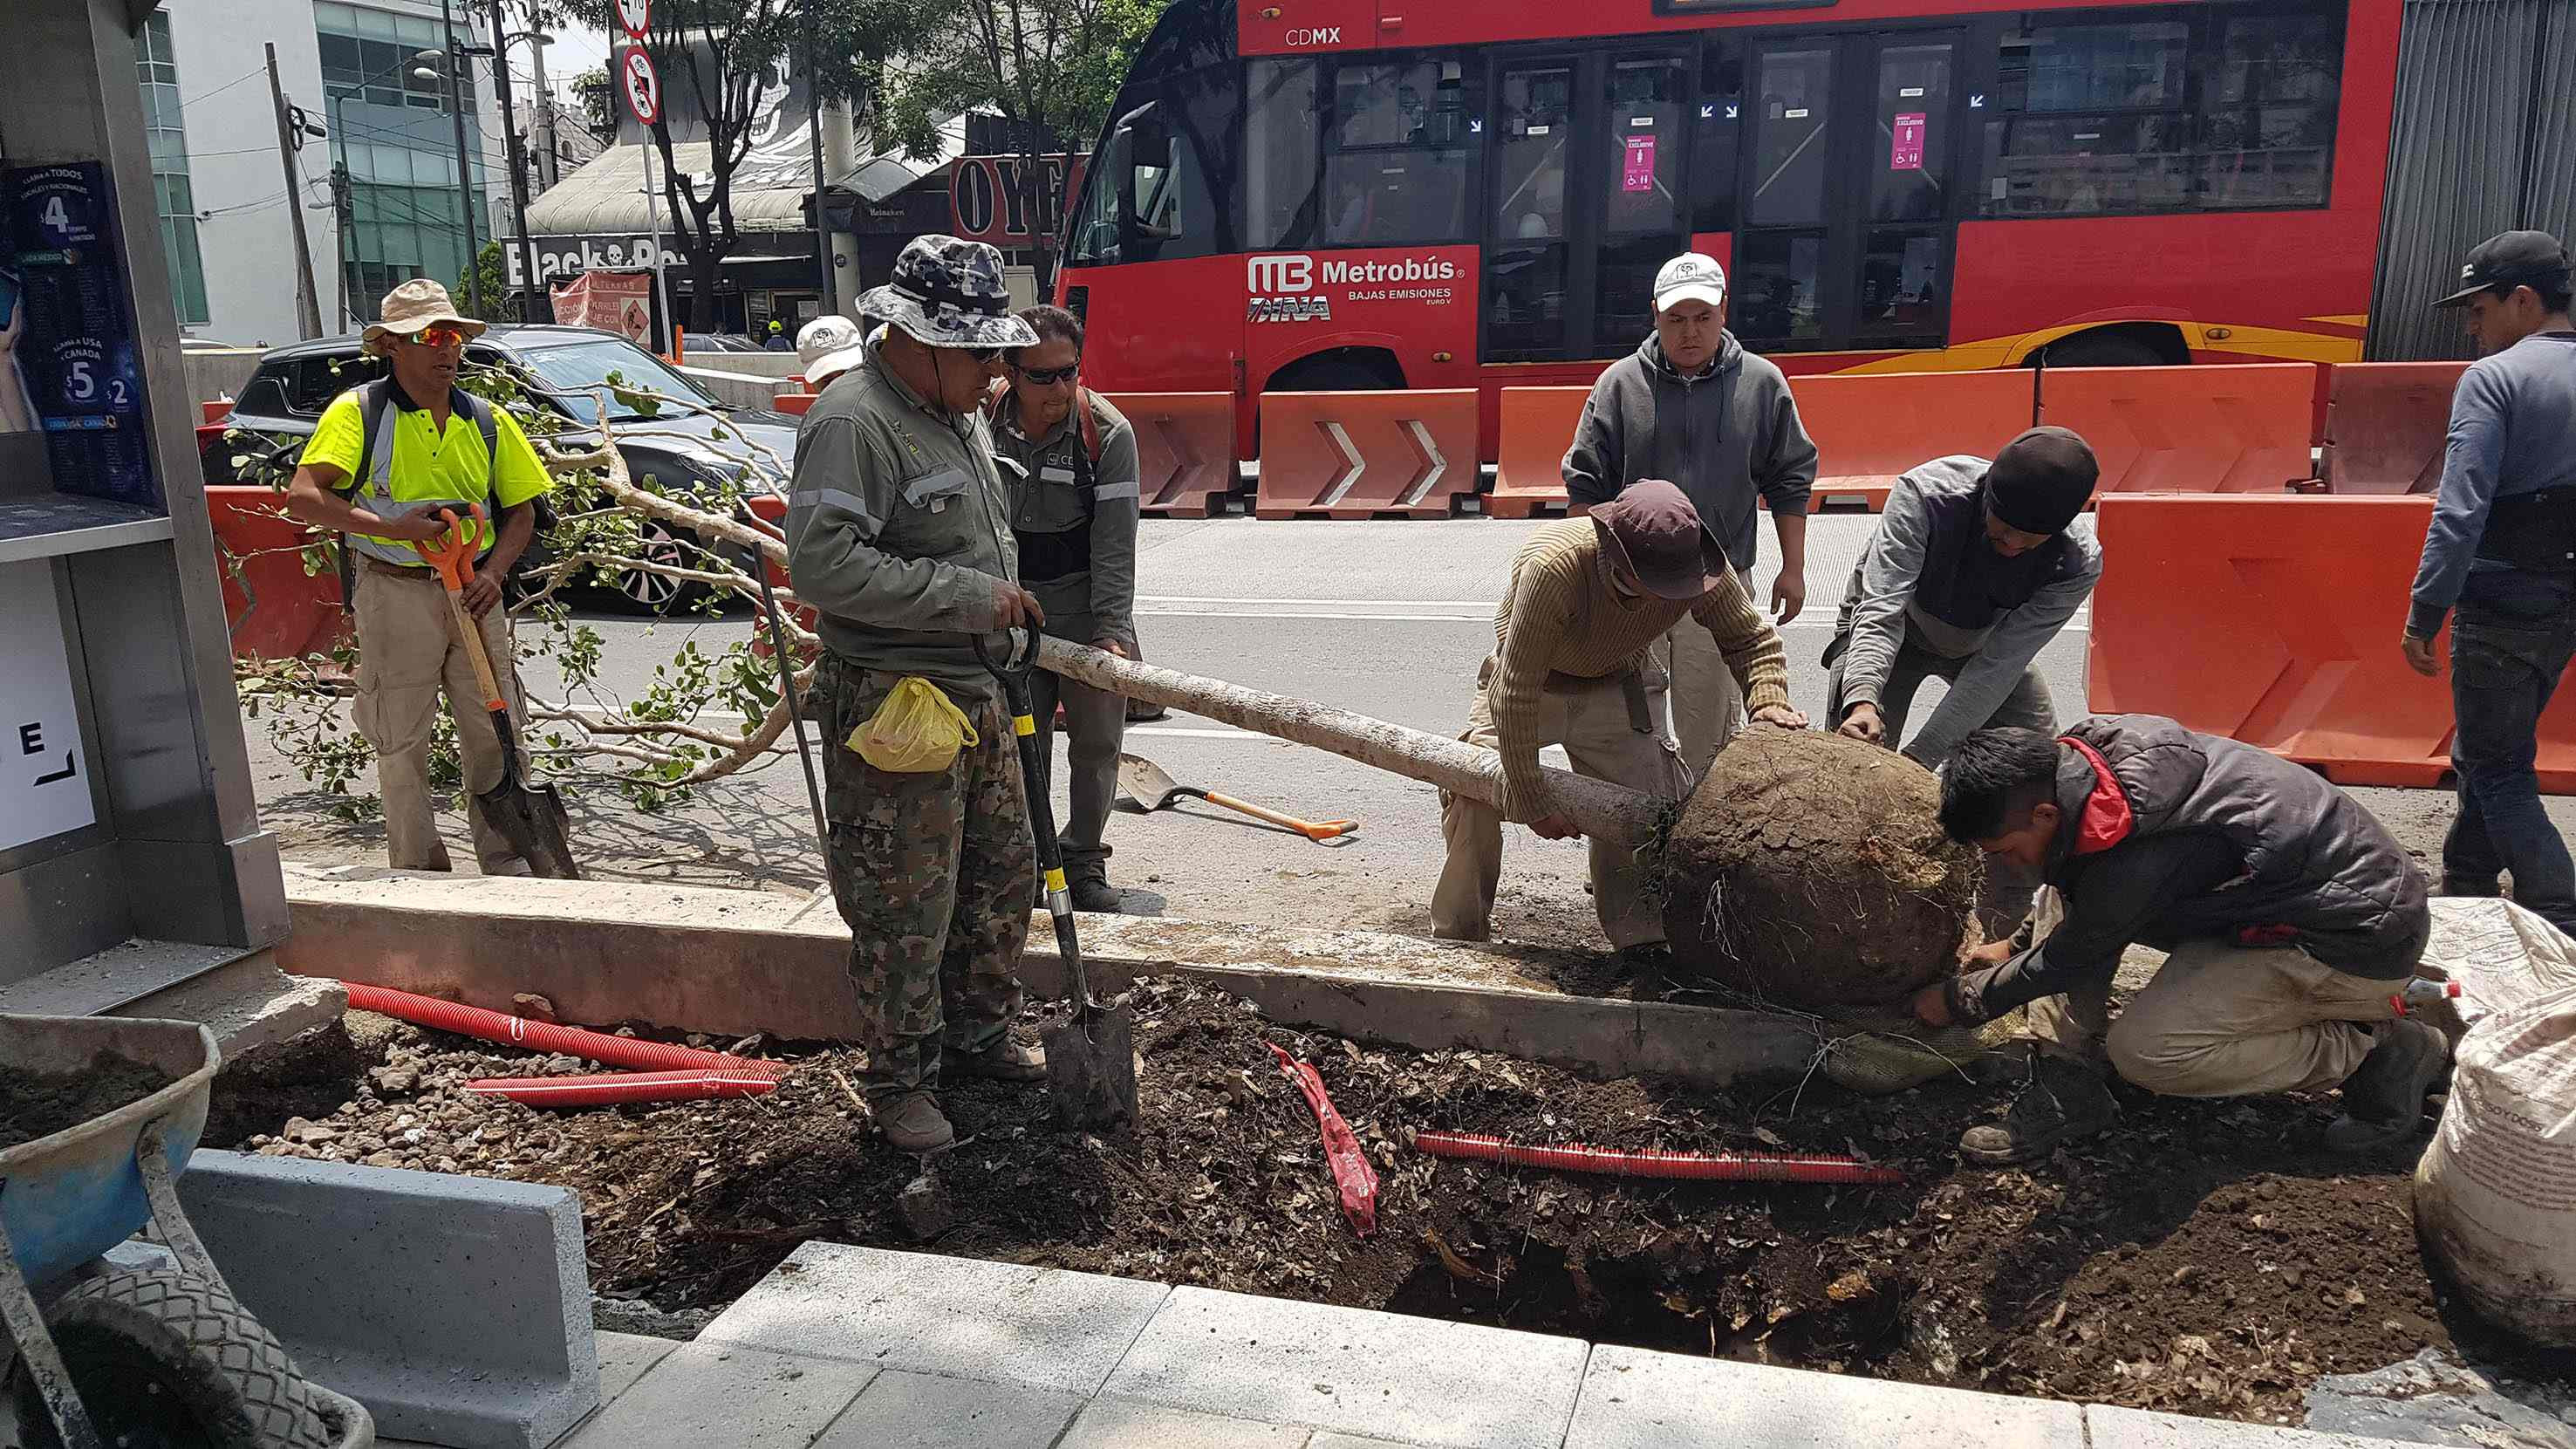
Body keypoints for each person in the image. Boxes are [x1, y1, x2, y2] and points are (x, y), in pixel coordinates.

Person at [783, 236, 1047, 1155]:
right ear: (918, 341)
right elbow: (822, 563)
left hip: (973, 688)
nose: (995, 372)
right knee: (905, 903)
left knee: (997, 879)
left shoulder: (955, 409)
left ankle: (979, 1038)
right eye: (979, 354)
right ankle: (900, 1081)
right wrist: (968, 596)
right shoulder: (853, 423)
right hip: (896, 697)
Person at [1917, 717, 2444, 1165]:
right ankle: (2070, 1085)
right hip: (2268, 897)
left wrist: (1961, 1001)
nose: (2006, 864)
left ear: (2044, 814)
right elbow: (2079, 887)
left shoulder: (2142, 851)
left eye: (2006, 849)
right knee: (2076, 875)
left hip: (2352, 939)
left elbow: (2077, 950)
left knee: (2148, 1053)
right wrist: (2015, 947)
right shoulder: (2083, 767)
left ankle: (2373, 1050)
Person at [1432, 480, 1807, 953]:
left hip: (1618, 685)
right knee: (1475, 790)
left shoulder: (1693, 564)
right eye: (1648, 588)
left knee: (1643, 811)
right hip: (1531, 686)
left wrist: (1768, 701)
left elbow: (1751, 639)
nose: (1662, 600)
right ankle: (1457, 940)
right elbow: (1517, 690)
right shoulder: (1553, 569)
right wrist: (1531, 801)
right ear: (1612, 553)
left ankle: (1641, 946)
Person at [284, 280, 553, 875]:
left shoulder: (486, 419)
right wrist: (392, 529)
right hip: (393, 590)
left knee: (494, 729)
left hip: (474, 597)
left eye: (452, 336)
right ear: (392, 347)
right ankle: (419, 872)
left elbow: (523, 511)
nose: (446, 350)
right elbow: (304, 496)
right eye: (430, 337)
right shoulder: (359, 413)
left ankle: (505, 863)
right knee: (400, 739)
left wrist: (494, 571)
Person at [1826, 426, 2104, 934]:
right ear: (1986, 499)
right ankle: (1845, 918)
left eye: (2031, 540)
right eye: (2002, 532)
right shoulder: (1925, 497)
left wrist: (1918, 761)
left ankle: (1994, 942)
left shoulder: (2075, 561)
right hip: (1898, 627)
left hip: (1987, 646)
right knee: (1852, 765)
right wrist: (1863, 701)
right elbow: (1880, 611)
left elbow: (1999, 665)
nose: (2014, 547)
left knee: (2033, 784)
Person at [1564, 252, 1818, 777]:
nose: (1689, 333)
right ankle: (1642, 837)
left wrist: (1792, 569)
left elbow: (1790, 479)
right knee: (1634, 727)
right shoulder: (1619, 385)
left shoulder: (1763, 384)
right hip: (1631, 588)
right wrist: (1585, 582)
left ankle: (1700, 839)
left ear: (1724, 311)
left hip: (1719, 583)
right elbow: (1587, 482)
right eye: (1676, 319)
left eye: (1702, 317)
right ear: (1655, 314)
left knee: (1711, 731)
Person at [2402, 229, 2576, 936]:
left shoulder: (2494, 379)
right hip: (2563, 606)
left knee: (2497, 765)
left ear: (2524, 299)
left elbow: (2460, 506)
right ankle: (2465, 880)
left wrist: (2424, 610)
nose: (2471, 327)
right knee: (2493, 748)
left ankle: (2560, 907)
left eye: (2477, 309)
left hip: (2500, 601)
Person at [987, 304, 1141, 913]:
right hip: (1011, 608)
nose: (1057, 388)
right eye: (1041, 376)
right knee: (1021, 744)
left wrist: (1110, 633)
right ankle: (1028, 860)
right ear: (1010, 371)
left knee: (1097, 743)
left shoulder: (1108, 434)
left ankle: (1081, 861)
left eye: (1067, 373)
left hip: (1084, 607)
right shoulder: (978, 421)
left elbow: (1115, 543)